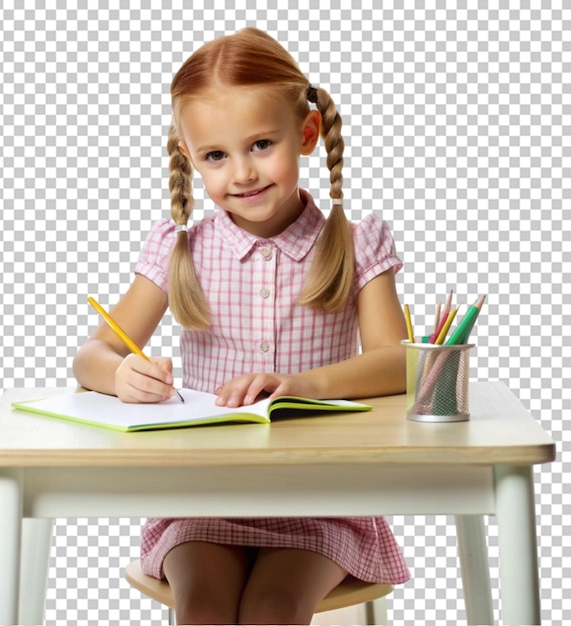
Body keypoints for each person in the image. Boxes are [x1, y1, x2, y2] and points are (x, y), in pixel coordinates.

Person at [73, 27, 410, 626]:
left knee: (272, 609)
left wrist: (303, 385)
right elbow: (91, 353)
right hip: (205, 493)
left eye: (260, 144)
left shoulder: (353, 244)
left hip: (318, 500)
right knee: (202, 608)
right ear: (188, 157)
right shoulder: (182, 250)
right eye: (216, 155)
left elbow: (398, 362)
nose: (243, 173)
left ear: (305, 135)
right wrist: (122, 373)